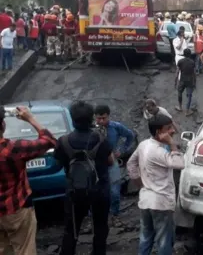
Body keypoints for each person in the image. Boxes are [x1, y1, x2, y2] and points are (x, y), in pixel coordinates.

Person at [55, 101, 114, 255]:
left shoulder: (63, 141)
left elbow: (57, 165)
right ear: (91, 119)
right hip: (100, 191)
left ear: (72, 120)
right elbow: (110, 162)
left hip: (75, 193)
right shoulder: (100, 139)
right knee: (100, 228)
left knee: (71, 229)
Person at [0, 106, 56, 255]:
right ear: (3, 125)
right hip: (16, 209)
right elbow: (50, 140)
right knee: (25, 250)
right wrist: (30, 118)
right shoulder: (13, 149)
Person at [127, 114, 185, 255]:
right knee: (164, 240)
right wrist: (172, 144)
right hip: (161, 204)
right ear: (159, 132)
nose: (173, 131)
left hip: (146, 201)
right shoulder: (158, 151)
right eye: (169, 128)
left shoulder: (144, 145)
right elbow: (179, 164)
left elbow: (131, 164)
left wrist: (141, 184)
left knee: (145, 238)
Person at [94, 104, 134, 227]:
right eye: (98, 118)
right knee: (95, 192)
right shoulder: (91, 130)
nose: (101, 121)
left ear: (108, 117)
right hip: (95, 166)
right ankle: (94, 219)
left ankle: (115, 215)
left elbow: (130, 136)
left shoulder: (116, 127)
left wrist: (121, 150)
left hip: (112, 164)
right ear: (94, 117)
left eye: (104, 118)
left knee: (115, 192)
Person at [176, 49, 196, 116]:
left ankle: (180, 107)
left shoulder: (180, 61)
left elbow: (177, 72)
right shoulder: (192, 62)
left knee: (179, 92)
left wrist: (175, 81)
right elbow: (194, 73)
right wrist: (194, 83)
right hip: (190, 81)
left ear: (184, 54)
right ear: (190, 54)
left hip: (182, 80)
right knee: (189, 96)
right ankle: (187, 111)